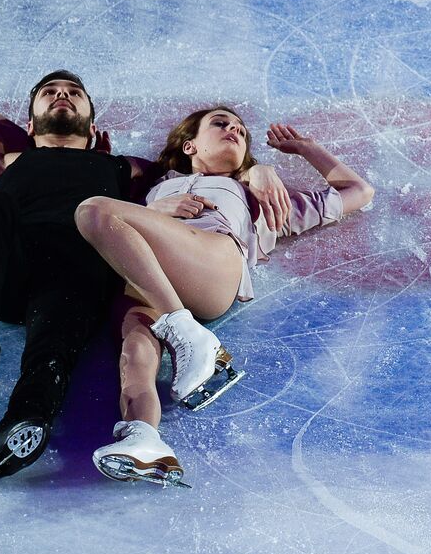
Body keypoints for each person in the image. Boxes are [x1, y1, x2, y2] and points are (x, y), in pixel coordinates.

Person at [0, 73, 291, 488]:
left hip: (75, 273)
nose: (62, 95)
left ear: (95, 127)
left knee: (57, 337)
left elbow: (201, 169)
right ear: (29, 123)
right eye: (50, 93)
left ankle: (27, 420)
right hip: (11, 267)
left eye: (74, 93)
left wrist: (257, 170)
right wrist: (36, 135)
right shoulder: (5, 161)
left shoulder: (123, 168)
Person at [73, 106, 373, 486]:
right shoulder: (155, 184)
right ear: (189, 146)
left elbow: (359, 192)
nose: (234, 129)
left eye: (241, 131)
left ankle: (190, 336)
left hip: (213, 265)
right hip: (149, 282)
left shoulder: (262, 196)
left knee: (94, 211)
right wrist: (151, 206)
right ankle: (144, 439)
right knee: (135, 356)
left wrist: (303, 149)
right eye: (220, 123)